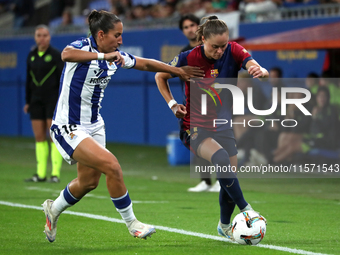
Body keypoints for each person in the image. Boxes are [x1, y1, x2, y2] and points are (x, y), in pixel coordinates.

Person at [42, 10, 204, 243]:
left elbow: (146, 64)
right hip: (69, 125)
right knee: (113, 166)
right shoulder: (83, 48)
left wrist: (177, 70)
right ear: (100, 34)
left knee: (88, 182)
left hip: (95, 125)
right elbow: (66, 54)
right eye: (116, 35)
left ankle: (53, 210)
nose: (120, 40)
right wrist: (101, 57)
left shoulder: (116, 55)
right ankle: (132, 224)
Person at [155, 15, 268, 239]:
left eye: (223, 46)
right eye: (215, 47)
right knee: (221, 159)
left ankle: (224, 225)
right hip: (194, 126)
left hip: (223, 125)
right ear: (203, 40)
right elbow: (160, 75)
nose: (219, 51)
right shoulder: (188, 57)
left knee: (229, 178)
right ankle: (247, 210)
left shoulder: (233, 51)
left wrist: (260, 71)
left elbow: (252, 63)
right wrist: (172, 104)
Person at [179, 14, 219, 192]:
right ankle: (206, 181)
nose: (189, 29)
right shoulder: (184, 54)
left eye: (192, 25)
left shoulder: (216, 50)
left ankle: (221, 180)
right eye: (185, 27)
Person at [24, 25, 64, 183]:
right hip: (36, 100)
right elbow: (28, 80)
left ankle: (55, 174)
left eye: (45, 35)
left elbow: (62, 80)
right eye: (39, 35)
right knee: (39, 137)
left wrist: (62, 101)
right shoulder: (31, 55)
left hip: (52, 100)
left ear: (49, 37)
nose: (42, 38)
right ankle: (40, 174)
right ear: (35, 37)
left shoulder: (56, 55)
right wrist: (28, 101)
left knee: (53, 135)